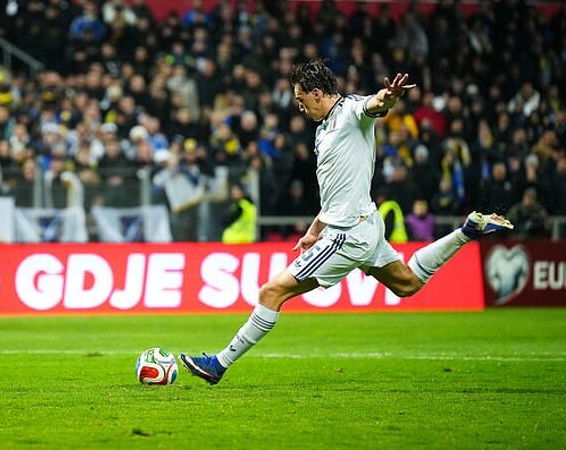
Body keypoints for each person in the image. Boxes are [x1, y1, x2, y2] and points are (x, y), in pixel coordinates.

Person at [180, 58, 513, 384]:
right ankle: (466, 231)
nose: (300, 108)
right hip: (365, 224)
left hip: (347, 235)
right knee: (408, 284)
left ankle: (218, 364)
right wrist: (313, 231)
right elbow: (334, 194)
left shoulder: (351, 111)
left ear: (317, 93)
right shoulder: (323, 130)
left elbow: (375, 104)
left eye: (301, 100)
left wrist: (389, 97)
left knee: (272, 291)